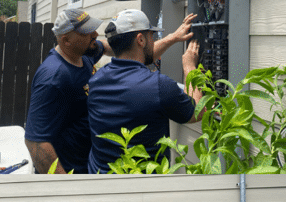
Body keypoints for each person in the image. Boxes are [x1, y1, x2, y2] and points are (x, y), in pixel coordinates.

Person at [87, 9, 203, 173]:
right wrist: (190, 68)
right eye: (151, 35)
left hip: (100, 177)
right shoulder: (158, 85)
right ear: (141, 40)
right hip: (143, 188)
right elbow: (198, 111)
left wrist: (173, 37)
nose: (154, 39)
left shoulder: (96, 80)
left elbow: (138, 57)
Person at [24, 9, 107, 173]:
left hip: (89, 162)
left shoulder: (83, 55)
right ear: (66, 40)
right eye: (87, 32)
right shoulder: (53, 78)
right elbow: (36, 144)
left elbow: (104, 46)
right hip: (71, 170)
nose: (95, 34)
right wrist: (64, 185)